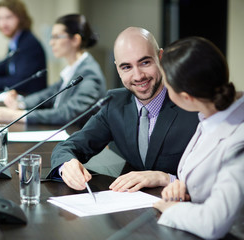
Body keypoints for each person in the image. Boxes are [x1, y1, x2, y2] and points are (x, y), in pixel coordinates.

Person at [49, 27, 199, 192]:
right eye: (126, 67)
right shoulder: (114, 103)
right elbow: (68, 147)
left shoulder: (192, 107)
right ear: (118, 68)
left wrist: (166, 178)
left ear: (160, 58)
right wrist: (67, 166)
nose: (138, 76)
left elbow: (216, 181)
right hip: (129, 208)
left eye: (145, 62)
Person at [153, 37, 244, 239]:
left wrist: (170, 209)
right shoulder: (210, 114)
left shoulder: (239, 139)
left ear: (187, 97)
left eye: (167, 87)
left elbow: (213, 223)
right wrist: (181, 184)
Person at [0, 14, 106, 125]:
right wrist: (21, 104)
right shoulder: (73, 67)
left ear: (75, 40)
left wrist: (19, 115)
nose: (51, 43)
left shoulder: (90, 73)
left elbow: (67, 114)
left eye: (57, 37)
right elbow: (49, 93)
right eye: (52, 37)